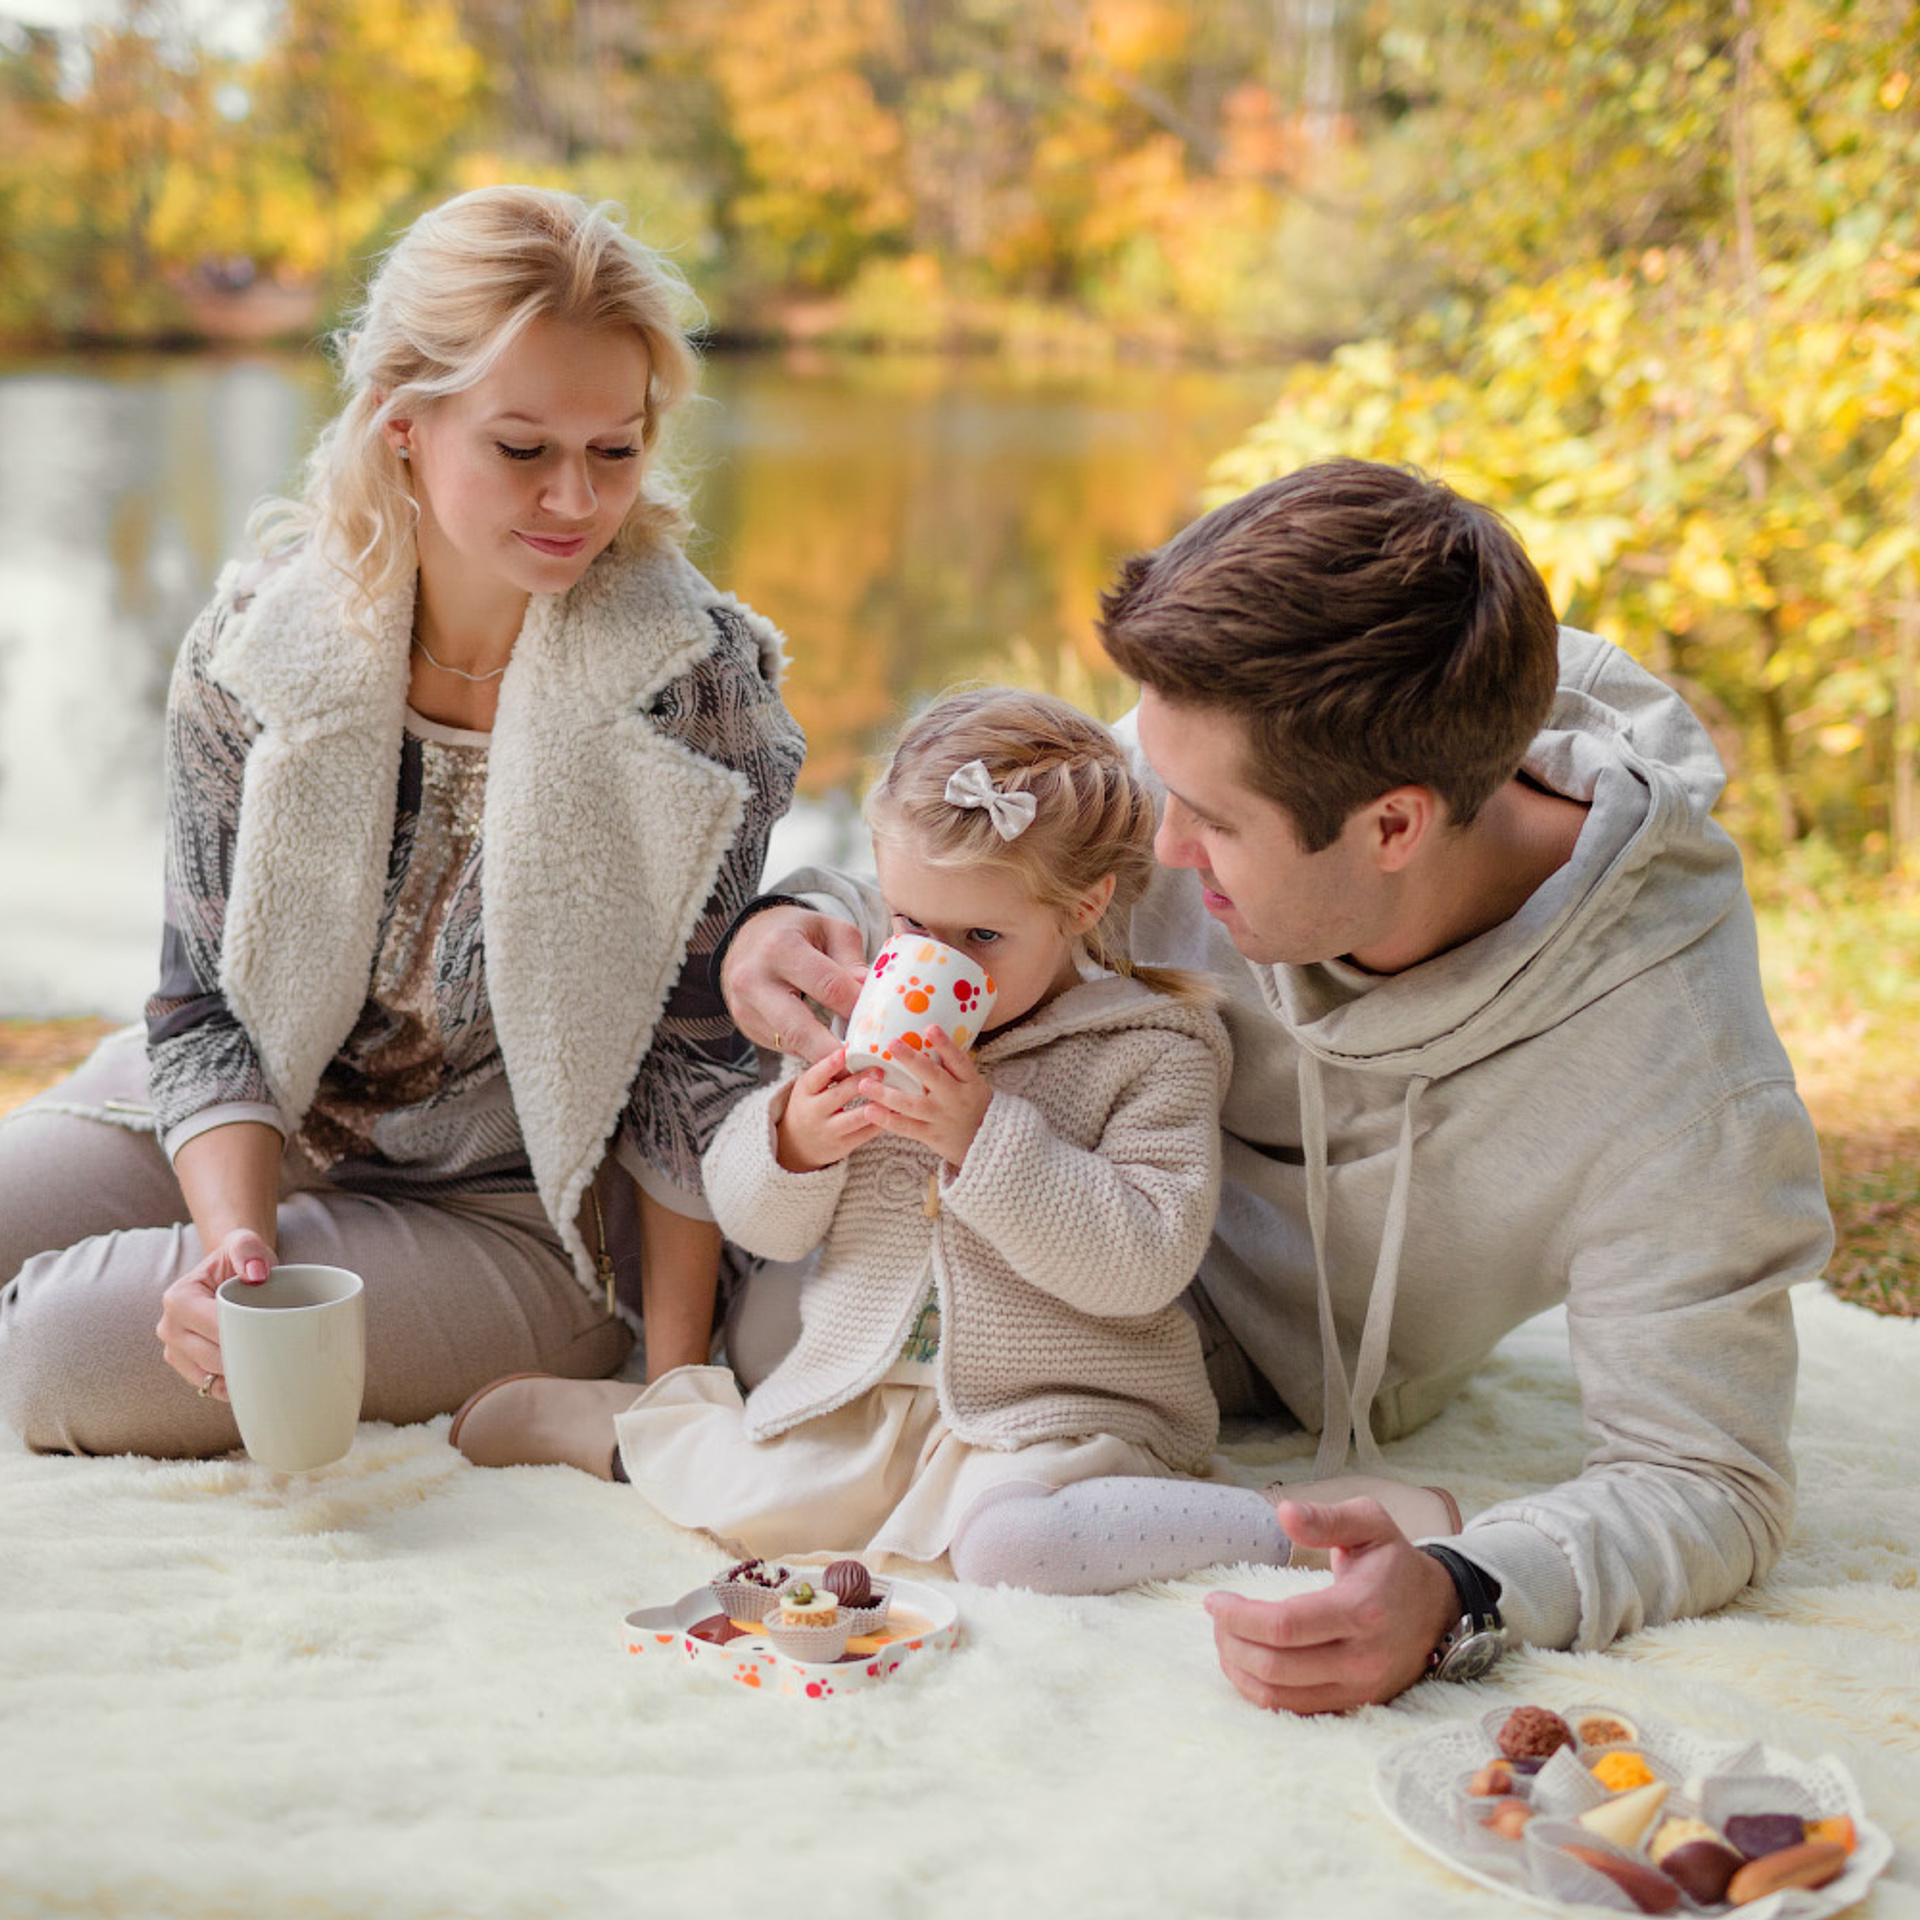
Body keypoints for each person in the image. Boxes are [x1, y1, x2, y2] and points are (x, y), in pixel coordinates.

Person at [715, 460, 1834, 1703]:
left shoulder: (1677, 1064)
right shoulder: (1233, 762)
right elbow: (982, 889)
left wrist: (1467, 1585)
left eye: (1201, 819)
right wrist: (792, 914)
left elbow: (1709, 1482)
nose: (1153, 844)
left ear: (1394, 828)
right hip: (1000, 1292)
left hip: (1202, 1387)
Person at [0, 185, 805, 1457]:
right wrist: (237, 1243)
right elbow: (199, 1004)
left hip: (521, 1206)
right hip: (268, 1107)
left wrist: (674, 1383)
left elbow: (691, 1072)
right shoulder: (254, 650)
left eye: (616, 448)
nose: (576, 502)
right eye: (523, 448)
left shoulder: (698, 696)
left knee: (54, 1356)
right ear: (404, 428)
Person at [448, 689, 1457, 1585]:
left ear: (1083, 908)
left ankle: (1299, 1525)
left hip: (1058, 1420)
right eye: (907, 922)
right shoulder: (866, 1021)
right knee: (760, 1505)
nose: (929, 961)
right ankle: (633, 1432)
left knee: (1009, 1549)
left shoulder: (1153, 1047)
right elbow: (767, 1225)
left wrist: (987, 1139)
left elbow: (1145, 1261)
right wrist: (794, 1139)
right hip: (869, 1404)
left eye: (979, 941)